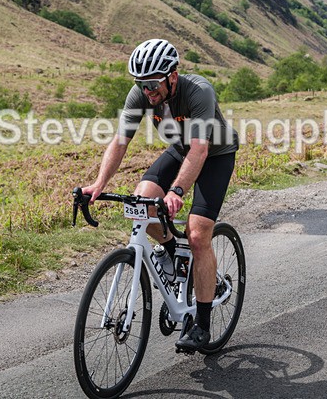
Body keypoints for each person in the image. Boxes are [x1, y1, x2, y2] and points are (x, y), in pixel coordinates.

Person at [82, 38, 239, 353]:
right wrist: (98, 184)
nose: (148, 91)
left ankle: (202, 325)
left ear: (173, 76)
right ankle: (170, 249)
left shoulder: (199, 92)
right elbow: (121, 141)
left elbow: (200, 150)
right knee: (141, 204)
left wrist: (177, 191)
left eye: (153, 84)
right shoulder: (141, 94)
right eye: (141, 84)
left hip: (215, 154)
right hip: (180, 150)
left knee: (198, 234)